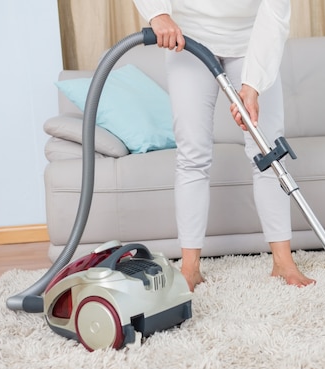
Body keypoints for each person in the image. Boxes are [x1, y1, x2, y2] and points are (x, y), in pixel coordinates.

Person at [132, 0, 315, 290]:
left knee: (268, 152)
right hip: (188, 39)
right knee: (193, 156)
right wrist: (158, 13)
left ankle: (283, 262)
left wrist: (252, 86)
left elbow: (274, 16)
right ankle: (190, 268)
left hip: (250, 41)